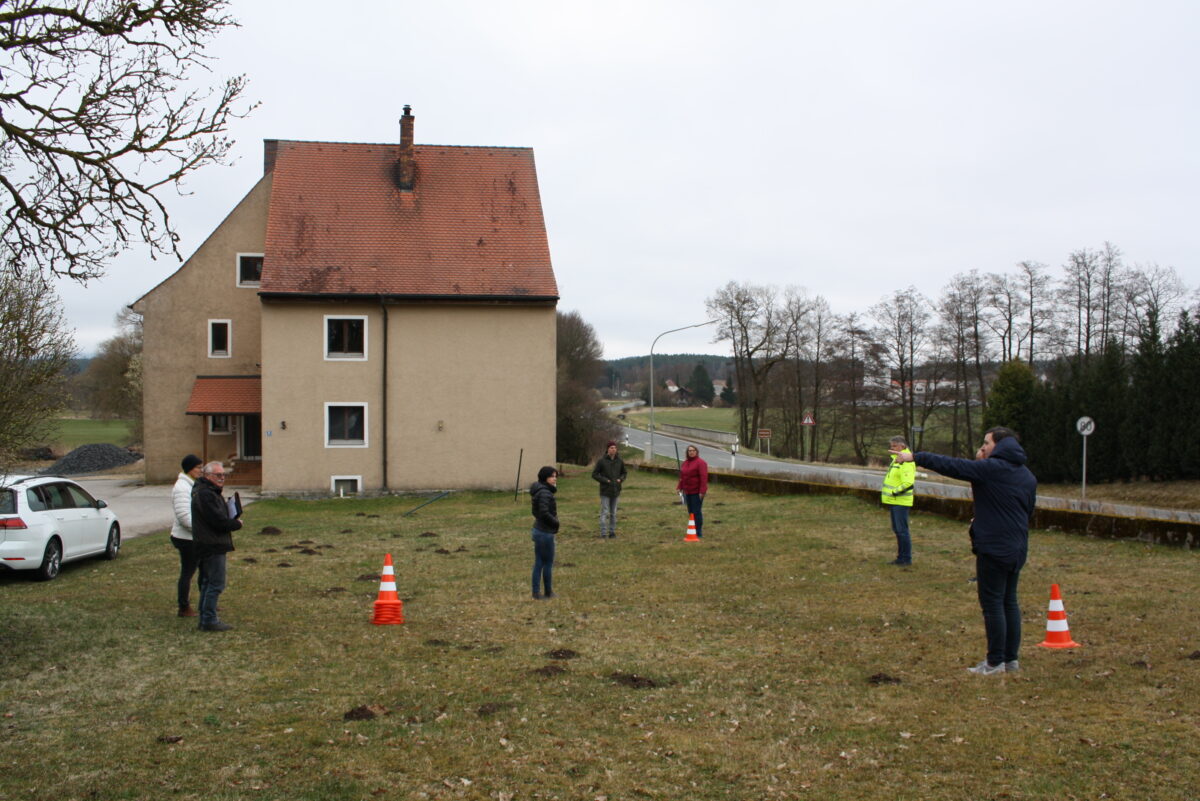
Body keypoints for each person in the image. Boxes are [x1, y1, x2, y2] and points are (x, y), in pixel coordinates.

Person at [891, 427, 1037, 675]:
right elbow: (1026, 511)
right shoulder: (1026, 475)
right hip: (1017, 546)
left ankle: (994, 662)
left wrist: (916, 456)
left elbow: (953, 466)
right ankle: (1010, 660)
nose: (983, 447)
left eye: (986, 443)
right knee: (1009, 601)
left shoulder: (991, 469)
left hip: (994, 547)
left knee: (992, 604)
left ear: (999, 446)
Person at [191, 461, 242, 631]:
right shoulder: (206, 494)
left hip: (207, 543)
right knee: (216, 583)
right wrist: (236, 523)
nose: (221, 478)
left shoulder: (208, 492)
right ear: (207, 476)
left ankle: (205, 617)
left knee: (207, 581)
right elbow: (217, 521)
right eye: (217, 475)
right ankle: (209, 620)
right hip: (212, 544)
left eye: (223, 475)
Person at [170, 454, 204, 617]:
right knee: (188, 572)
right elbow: (184, 517)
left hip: (195, 537)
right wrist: (203, 529)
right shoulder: (182, 488)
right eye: (198, 467)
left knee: (204, 570)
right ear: (190, 469)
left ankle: (206, 601)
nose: (201, 470)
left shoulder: (192, 485)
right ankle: (183, 607)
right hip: (186, 538)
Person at [881, 436, 916, 565]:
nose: (892, 448)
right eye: (891, 446)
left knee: (902, 531)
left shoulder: (905, 461)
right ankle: (901, 557)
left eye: (894, 446)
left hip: (900, 501)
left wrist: (893, 492)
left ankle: (905, 559)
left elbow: (908, 483)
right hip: (895, 501)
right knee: (898, 530)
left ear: (902, 446)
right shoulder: (896, 460)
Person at [529, 466, 559, 600]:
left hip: (540, 530)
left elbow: (536, 512)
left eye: (555, 476)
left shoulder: (540, 491)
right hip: (544, 532)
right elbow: (543, 512)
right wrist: (555, 523)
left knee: (540, 562)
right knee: (545, 563)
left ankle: (541, 592)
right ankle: (544, 592)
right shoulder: (545, 493)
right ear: (545, 478)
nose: (555, 479)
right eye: (552, 476)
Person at [591, 441, 627, 538]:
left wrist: (621, 479)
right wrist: (605, 480)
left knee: (613, 513)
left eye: (615, 448)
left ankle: (612, 532)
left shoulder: (619, 461)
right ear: (607, 449)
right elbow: (594, 474)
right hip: (605, 491)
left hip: (616, 490)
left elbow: (624, 473)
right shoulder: (601, 461)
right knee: (605, 512)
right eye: (611, 447)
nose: (613, 449)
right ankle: (603, 533)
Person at [676, 445, 709, 538]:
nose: (691, 452)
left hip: (697, 492)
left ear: (696, 452)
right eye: (689, 450)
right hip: (687, 492)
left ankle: (698, 532)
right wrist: (679, 487)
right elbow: (682, 477)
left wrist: (702, 492)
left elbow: (704, 478)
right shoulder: (685, 463)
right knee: (690, 512)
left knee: (696, 511)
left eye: (693, 450)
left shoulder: (701, 463)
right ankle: (692, 529)